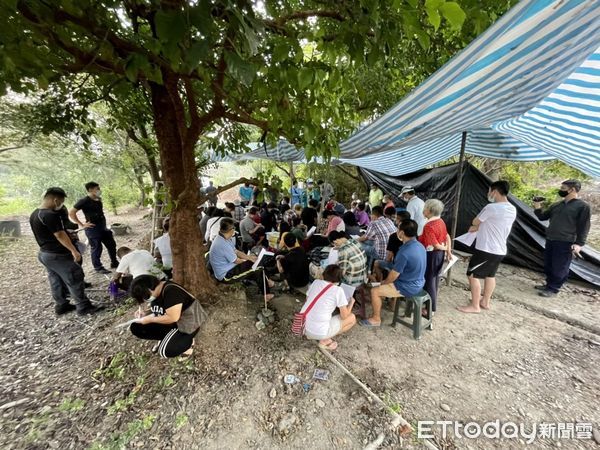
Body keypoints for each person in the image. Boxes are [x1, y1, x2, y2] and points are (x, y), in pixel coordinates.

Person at [31, 187, 101, 315]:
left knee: (55, 279)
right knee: (74, 276)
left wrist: (68, 233)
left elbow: (49, 233)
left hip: (45, 253)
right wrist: (74, 251)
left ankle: (61, 305)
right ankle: (83, 307)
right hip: (57, 255)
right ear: (55, 199)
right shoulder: (49, 215)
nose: (61, 204)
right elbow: (59, 235)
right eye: (61, 201)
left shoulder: (35, 213)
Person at [458, 180, 516, 313]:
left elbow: (475, 221)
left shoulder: (492, 208)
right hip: (500, 249)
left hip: (486, 249)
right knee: (490, 275)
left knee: (472, 275)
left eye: (489, 191)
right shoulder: (512, 209)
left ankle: (475, 306)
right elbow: (494, 224)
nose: (488, 194)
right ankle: (485, 301)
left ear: (495, 192)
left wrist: (476, 226)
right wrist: (479, 227)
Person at [361, 219, 426, 327]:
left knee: (375, 291)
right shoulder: (420, 246)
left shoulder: (405, 252)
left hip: (407, 286)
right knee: (381, 282)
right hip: (419, 282)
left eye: (398, 229)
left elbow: (394, 275)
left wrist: (384, 283)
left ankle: (376, 319)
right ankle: (388, 303)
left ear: (401, 233)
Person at [533, 179, 591, 297]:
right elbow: (542, 217)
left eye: (563, 188)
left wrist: (579, 244)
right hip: (551, 239)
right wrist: (537, 205)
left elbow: (584, 226)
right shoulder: (557, 205)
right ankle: (549, 284)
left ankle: (553, 289)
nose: (561, 190)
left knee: (560, 266)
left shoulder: (583, 206)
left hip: (566, 241)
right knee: (549, 264)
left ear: (573, 189)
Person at [129, 275, 206, 358]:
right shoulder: (156, 292)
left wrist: (150, 319)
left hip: (188, 324)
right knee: (136, 327)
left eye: (145, 297)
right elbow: (162, 308)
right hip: (173, 323)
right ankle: (168, 337)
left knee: (165, 351)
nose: (145, 300)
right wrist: (146, 313)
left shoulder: (171, 291)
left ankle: (189, 343)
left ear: (149, 289)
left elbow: (173, 317)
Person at [209, 219, 274, 300]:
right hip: (226, 275)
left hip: (229, 267)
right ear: (231, 230)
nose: (234, 231)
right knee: (257, 266)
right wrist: (249, 260)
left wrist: (249, 257)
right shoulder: (221, 244)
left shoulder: (223, 237)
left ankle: (266, 288)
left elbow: (236, 251)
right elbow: (236, 260)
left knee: (255, 265)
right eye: (234, 229)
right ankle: (267, 287)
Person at [300, 265, 356, 351]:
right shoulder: (338, 290)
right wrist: (351, 303)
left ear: (324, 274)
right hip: (317, 332)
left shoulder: (316, 282)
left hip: (302, 325)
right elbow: (344, 316)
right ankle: (324, 340)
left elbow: (308, 300)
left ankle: (316, 335)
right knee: (352, 318)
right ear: (338, 279)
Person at [69, 182, 118, 274]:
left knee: (111, 245)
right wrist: (82, 224)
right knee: (96, 248)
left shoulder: (98, 199)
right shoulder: (84, 201)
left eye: (99, 188)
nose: (99, 190)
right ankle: (98, 267)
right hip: (93, 229)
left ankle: (114, 262)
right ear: (90, 190)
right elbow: (71, 213)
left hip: (103, 227)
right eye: (97, 188)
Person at [419, 199, 452, 313]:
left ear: (428, 210)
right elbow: (447, 236)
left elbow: (436, 245)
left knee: (429, 280)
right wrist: (448, 251)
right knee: (434, 279)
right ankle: (429, 306)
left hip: (432, 254)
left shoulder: (429, 225)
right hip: (439, 254)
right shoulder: (441, 221)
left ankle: (429, 309)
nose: (423, 210)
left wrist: (447, 249)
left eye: (424, 208)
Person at [371, 210, 411, 281]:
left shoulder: (394, 236)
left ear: (399, 220)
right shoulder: (412, 235)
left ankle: (380, 282)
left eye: (396, 218)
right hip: (409, 267)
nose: (395, 220)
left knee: (376, 263)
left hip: (397, 266)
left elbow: (389, 257)